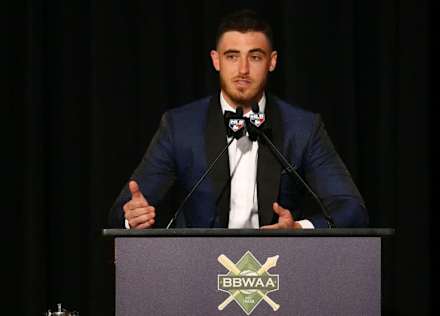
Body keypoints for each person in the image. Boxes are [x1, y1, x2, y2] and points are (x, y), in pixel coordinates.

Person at [109, 10, 368, 229]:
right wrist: (131, 217)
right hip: (199, 273)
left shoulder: (302, 128)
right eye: (232, 56)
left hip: (279, 271)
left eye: (255, 57)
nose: (243, 69)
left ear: (272, 62)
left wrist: (299, 229)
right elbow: (121, 211)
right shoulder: (180, 126)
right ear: (216, 60)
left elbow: (352, 209)